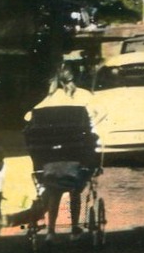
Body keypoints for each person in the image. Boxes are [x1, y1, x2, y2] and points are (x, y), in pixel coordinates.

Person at [25, 64, 98, 239]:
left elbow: (28, 117)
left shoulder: (46, 102)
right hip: (75, 161)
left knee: (53, 191)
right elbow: (95, 117)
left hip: (50, 162)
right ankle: (74, 227)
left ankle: (50, 230)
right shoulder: (81, 100)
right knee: (75, 190)